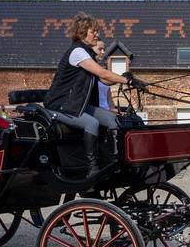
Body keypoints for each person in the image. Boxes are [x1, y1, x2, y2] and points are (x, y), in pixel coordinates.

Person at [44, 13, 146, 177]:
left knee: (114, 120)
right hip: (61, 104)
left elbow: (103, 80)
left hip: (76, 104)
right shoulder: (77, 52)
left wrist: (127, 78)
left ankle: (115, 161)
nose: (97, 34)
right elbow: (102, 73)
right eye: (94, 31)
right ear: (82, 32)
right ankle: (93, 169)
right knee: (91, 123)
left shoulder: (87, 54)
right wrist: (127, 82)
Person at [93, 39, 116, 113]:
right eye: (100, 49)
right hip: (95, 112)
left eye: (103, 49)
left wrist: (113, 110)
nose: (103, 52)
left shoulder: (105, 78)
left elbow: (109, 100)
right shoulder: (89, 71)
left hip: (106, 112)